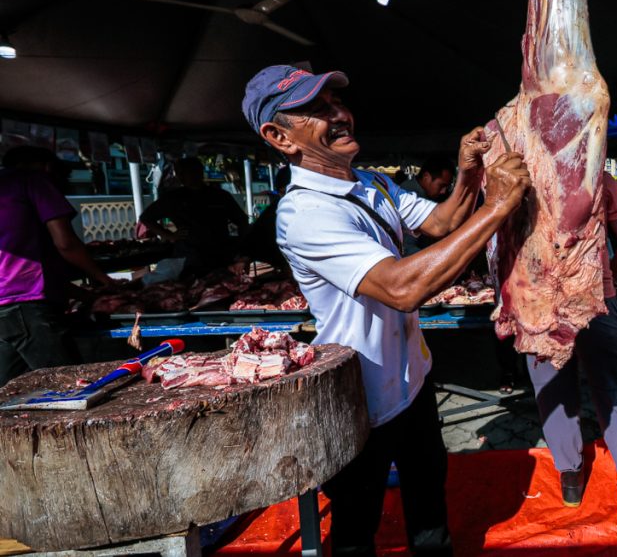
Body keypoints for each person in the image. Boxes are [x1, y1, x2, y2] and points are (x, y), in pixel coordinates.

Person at [243, 64, 530, 556]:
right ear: (279, 137)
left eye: (336, 103)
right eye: (316, 110)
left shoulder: (370, 183)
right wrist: (497, 207)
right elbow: (401, 288)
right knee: (356, 525)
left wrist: (468, 173)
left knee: (429, 504)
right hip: (361, 397)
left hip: (413, 379)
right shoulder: (307, 213)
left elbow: (440, 223)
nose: (339, 115)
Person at [526, 171, 617, 529]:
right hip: (595, 296)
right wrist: (611, 273)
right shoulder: (597, 176)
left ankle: (571, 481)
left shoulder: (524, 177)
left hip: (537, 302)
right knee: (615, 390)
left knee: (553, 391)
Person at [0, 146, 113, 387]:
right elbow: (66, 243)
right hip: (27, 309)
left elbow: (22, 268)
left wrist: (85, 295)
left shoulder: (6, 188)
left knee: (10, 392)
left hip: (8, 308)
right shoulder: (34, 181)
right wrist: (103, 278)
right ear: (49, 167)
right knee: (69, 388)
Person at [138, 157, 249, 277]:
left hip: (220, 255)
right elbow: (146, 218)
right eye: (179, 173)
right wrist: (169, 235)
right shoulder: (174, 198)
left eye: (187, 172)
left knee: (223, 283)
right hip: (189, 257)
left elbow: (242, 220)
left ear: (200, 172)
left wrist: (243, 252)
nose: (181, 176)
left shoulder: (219, 196)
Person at [401, 158, 456, 255]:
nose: (443, 191)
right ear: (426, 177)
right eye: (441, 185)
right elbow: (407, 247)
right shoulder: (408, 197)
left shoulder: (430, 195)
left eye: (447, 187)